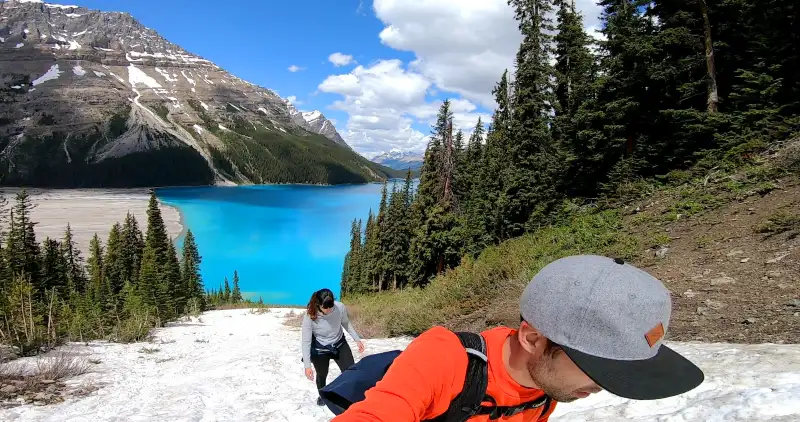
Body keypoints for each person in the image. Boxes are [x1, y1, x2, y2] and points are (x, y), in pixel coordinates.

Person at [327, 255, 705, 421]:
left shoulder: (547, 386)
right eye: (598, 366)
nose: (602, 386)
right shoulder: (444, 358)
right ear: (532, 338)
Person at [302, 288, 365, 406]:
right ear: (318, 304)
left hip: (339, 343)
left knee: (350, 371)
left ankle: (349, 395)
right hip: (320, 348)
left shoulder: (339, 307)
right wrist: (307, 365)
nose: (329, 310)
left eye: (331, 306)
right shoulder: (310, 315)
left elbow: (346, 323)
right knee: (322, 374)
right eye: (325, 307)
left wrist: (357, 339)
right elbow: (306, 341)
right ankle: (323, 396)